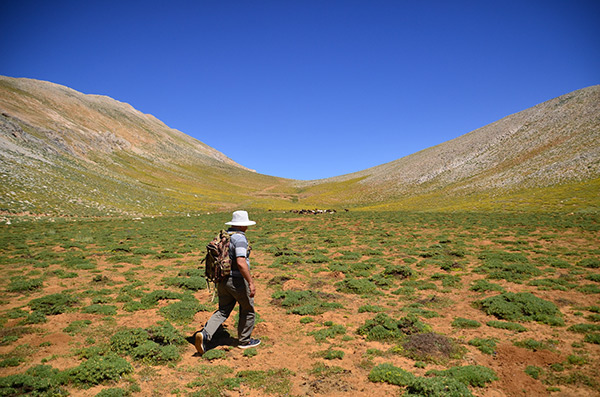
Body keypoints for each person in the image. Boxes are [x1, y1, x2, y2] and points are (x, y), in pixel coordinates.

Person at [195, 210, 260, 353]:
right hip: (237, 281)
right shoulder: (240, 239)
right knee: (248, 309)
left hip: (222, 280)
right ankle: (245, 340)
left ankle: (205, 334)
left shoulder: (225, 236)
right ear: (243, 225)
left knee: (223, 310)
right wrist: (250, 282)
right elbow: (241, 262)